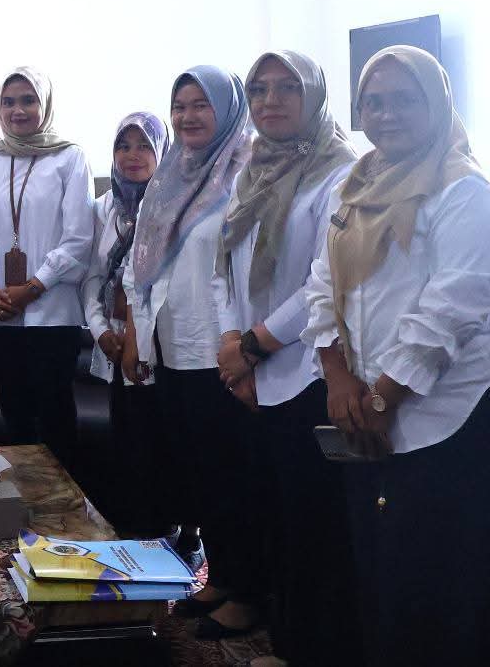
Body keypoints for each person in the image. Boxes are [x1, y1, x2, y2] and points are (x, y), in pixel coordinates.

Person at [299, 46, 490, 667]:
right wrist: (338, 379)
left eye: (404, 99)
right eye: (373, 102)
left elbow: (448, 312)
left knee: (435, 590)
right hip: (364, 406)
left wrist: (379, 398)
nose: (386, 114)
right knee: (378, 578)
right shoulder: (355, 186)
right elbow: (322, 286)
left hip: (450, 416)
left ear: (438, 104)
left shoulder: (465, 192)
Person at [213, 51, 359, 667]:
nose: (271, 100)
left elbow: (326, 279)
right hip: (253, 368)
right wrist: (232, 344)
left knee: (312, 523)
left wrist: (252, 347)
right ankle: (285, 638)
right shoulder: (253, 168)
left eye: (287, 88)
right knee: (271, 511)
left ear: (315, 96)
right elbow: (227, 264)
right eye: (260, 89)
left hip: (310, 371)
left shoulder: (341, 172)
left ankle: (311, 650)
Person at [128, 65, 262, 639]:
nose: (187, 116)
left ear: (227, 109)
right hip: (174, 346)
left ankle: (248, 593)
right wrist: (142, 335)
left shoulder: (246, 171)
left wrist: (244, 347)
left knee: (235, 475)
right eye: (179, 106)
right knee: (202, 472)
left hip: (222, 349)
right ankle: (221, 577)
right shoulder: (172, 176)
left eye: (200, 105)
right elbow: (144, 264)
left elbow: (246, 268)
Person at [0, 67, 93, 468]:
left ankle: (63, 501)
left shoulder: (69, 158)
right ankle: (23, 498)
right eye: (9, 102)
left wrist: (33, 287)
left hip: (53, 312)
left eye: (28, 100)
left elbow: (79, 237)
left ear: (44, 104)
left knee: (54, 415)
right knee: (15, 414)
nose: (18, 110)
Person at [80, 111, 169, 536]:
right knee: (125, 439)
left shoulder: (173, 207)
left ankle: (166, 534)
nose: (133, 155)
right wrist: (100, 331)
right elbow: (91, 279)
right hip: (114, 343)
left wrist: (139, 337)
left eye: (144, 146)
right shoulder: (103, 210)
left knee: (160, 443)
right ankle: (128, 534)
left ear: (162, 152)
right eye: (123, 146)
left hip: (160, 344)